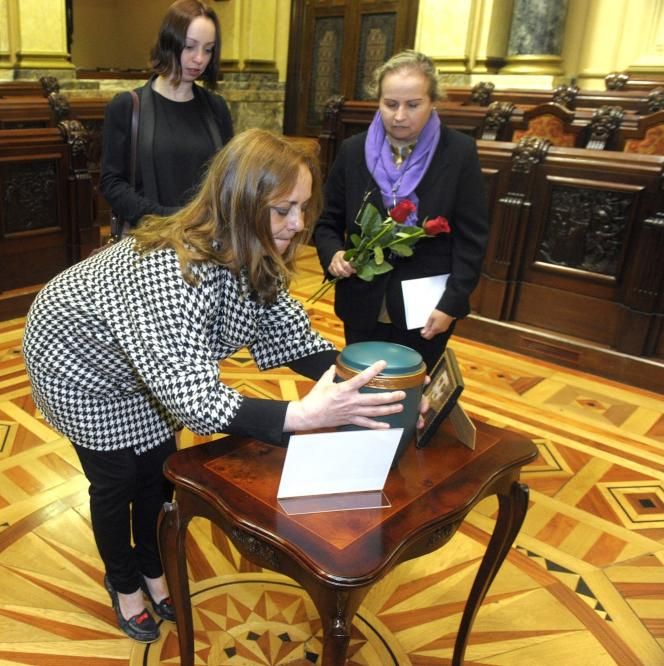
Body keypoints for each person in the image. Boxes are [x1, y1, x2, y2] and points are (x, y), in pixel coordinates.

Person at [24, 129, 411, 643]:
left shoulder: (250, 249)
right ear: (240, 205)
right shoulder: (171, 270)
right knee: (118, 482)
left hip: (150, 366)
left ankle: (153, 566)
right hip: (78, 364)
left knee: (156, 473)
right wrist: (301, 417)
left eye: (301, 207)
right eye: (283, 210)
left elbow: (291, 335)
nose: (298, 225)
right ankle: (124, 582)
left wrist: (368, 385)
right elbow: (199, 400)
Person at [313, 50, 489, 371]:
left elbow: (471, 240)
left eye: (413, 105)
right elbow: (327, 222)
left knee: (411, 391)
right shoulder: (353, 151)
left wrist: (452, 303)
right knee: (365, 386)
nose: (399, 116)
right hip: (363, 299)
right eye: (390, 104)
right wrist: (334, 255)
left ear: (432, 101)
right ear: (378, 101)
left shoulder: (459, 153)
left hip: (427, 308)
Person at [99, 0, 233, 230]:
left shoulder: (217, 108)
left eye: (208, 49)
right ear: (169, 42)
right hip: (148, 239)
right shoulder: (127, 106)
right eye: (190, 46)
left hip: (206, 241)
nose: (199, 59)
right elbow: (112, 183)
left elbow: (230, 179)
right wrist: (166, 218)